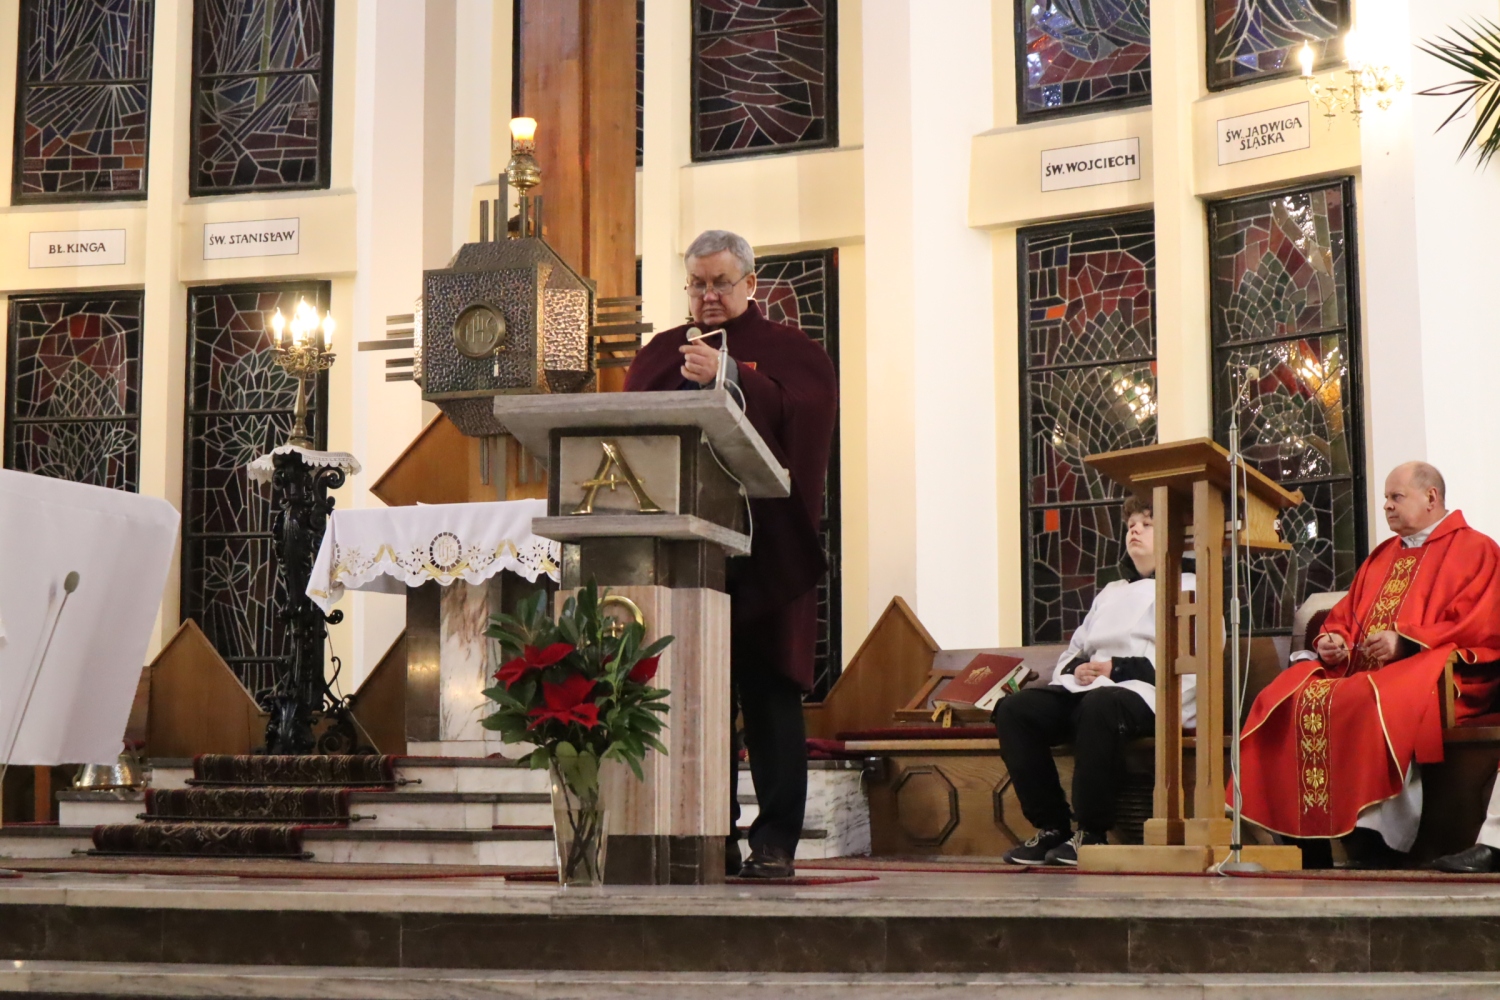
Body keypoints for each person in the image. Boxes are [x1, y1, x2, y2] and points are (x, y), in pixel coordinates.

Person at [623, 229, 837, 879]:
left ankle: (774, 843)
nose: (708, 295)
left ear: (750, 283)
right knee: (696, 703)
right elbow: (628, 436)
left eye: (721, 283)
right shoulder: (661, 354)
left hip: (768, 552)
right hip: (682, 559)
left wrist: (733, 377)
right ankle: (707, 836)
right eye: (697, 283)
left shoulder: (791, 352)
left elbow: (805, 418)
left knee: (769, 699)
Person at [1233, 463, 1500, 868]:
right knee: (1288, 695)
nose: (1387, 506)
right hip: (1368, 673)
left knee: (1370, 697)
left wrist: (1405, 641)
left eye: (1396, 497)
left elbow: (1479, 623)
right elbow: (1346, 615)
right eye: (1385, 498)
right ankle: (1302, 833)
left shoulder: (1476, 549)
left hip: (1443, 675)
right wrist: (1335, 640)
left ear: (1431, 497)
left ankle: (1375, 838)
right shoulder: (1382, 556)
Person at [995, 495, 1197, 866]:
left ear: (1171, 535)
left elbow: (1191, 658)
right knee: (1015, 710)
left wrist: (1116, 669)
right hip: (1089, 688)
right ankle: (1053, 827)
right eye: (1131, 524)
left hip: (1146, 692)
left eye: (1147, 524)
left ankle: (1092, 833)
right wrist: (1078, 669)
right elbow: (1075, 651)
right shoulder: (1111, 591)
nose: (1134, 530)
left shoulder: (1190, 587)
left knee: (1100, 705)